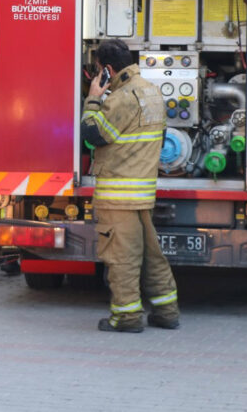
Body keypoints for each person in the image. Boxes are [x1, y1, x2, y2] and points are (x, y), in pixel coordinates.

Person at [81, 39, 179, 333]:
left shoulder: (121, 99)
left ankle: (126, 318)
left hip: (117, 195)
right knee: (151, 256)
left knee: (121, 259)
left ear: (107, 70)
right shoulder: (151, 92)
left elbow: (92, 135)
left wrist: (93, 98)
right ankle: (166, 312)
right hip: (142, 193)